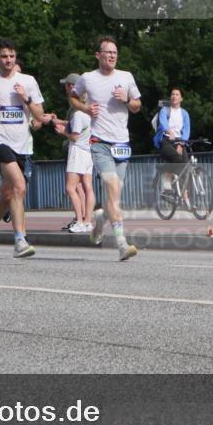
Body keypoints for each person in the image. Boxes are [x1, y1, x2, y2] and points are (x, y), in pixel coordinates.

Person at [0, 39, 56, 258]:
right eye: (3, 56)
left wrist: (26, 98)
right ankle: (20, 240)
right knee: (19, 186)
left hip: (23, 145)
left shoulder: (28, 81)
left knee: (9, 193)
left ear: (15, 56)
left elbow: (39, 116)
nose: (8, 60)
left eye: (11, 56)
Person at [71, 36, 141, 261]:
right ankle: (121, 243)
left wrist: (126, 101)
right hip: (99, 143)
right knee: (111, 188)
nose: (112, 55)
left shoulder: (126, 77)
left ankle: (100, 220)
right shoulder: (87, 78)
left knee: (115, 196)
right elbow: (73, 98)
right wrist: (85, 108)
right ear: (98, 55)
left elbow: (137, 106)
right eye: (107, 52)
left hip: (122, 143)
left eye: (115, 52)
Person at [53, 75, 94, 233]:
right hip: (89, 151)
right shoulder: (89, 112)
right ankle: (88, 221)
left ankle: (80, 220)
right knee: (88, 187)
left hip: (77, 151)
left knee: (70, 187)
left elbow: (74, 135)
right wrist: (60, 122)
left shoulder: (77, 114)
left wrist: (63, 132)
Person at [153, 87, 191, 192]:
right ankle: (166, 180)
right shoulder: (165, 110)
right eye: (172, 94)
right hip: (166, 140)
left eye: (177, 94)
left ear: (181, 99)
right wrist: (170, 132)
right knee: (177, 160)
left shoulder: (184, 113)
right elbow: (163, 123)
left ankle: (185, 197)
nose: (174, 96)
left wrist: (181, 144)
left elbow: (186, 130)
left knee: (185, 167)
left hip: (179, 141)